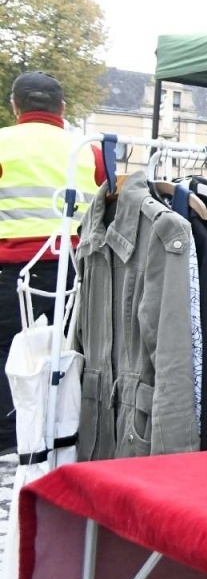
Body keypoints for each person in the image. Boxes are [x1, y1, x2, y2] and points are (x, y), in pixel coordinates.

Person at [0, 72, 104, 455]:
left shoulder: (2, 144)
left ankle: (11, 439)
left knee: (6, 351)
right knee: (71, 351)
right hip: (75, 271)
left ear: (15, 105)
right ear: (62, 108)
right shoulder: (88, 149)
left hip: (11, 270)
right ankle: (64, 432)